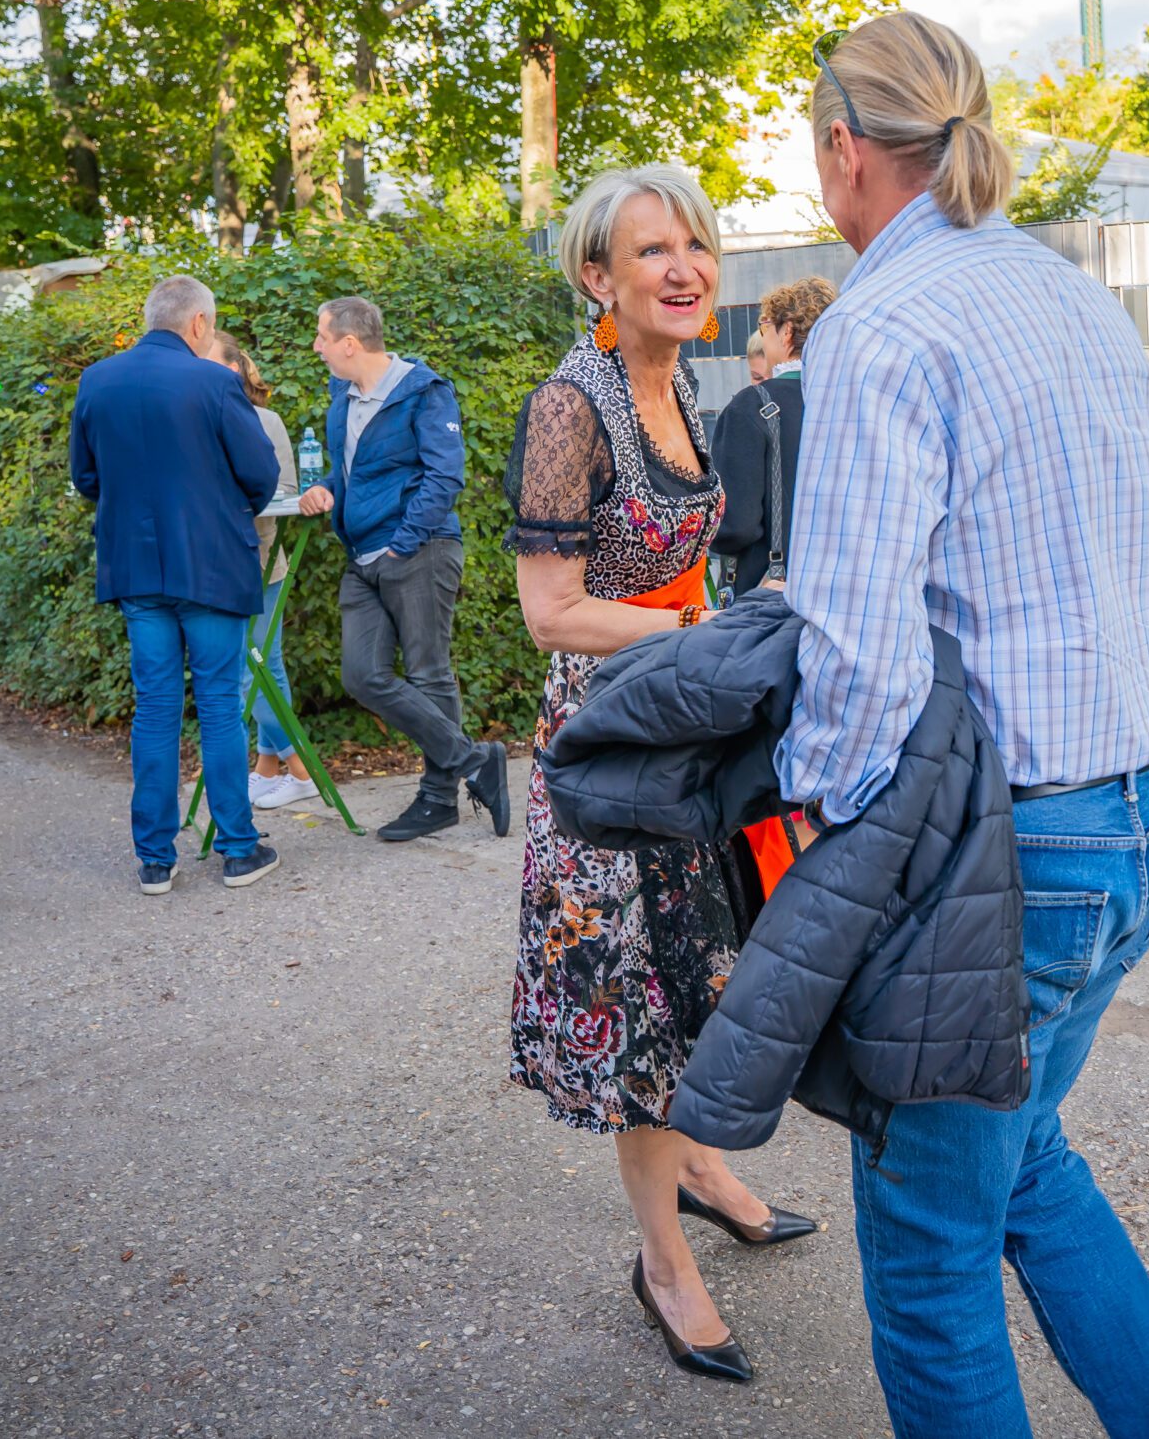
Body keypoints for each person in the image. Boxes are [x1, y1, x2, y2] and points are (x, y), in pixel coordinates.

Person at [777, 12, 1149, 1437]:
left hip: (1001, 857)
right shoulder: (1071, 294)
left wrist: (818, 841)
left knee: (929, 1260)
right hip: (1140, 813)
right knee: (1026, 1166)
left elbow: (853, 653)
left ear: (845, 148)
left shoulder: (880, 323)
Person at [504, 164, 814, 1385]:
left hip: (683, 725)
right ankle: (662, 1263)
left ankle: (701, 1171)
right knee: (637, 1009)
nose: (684, 268)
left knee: (702, 977)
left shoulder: (679, 379)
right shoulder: (568, 408)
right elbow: (550, 612)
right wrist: (700, 629)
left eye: (697, 244)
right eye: (651, 250)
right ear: (598, 276)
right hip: (610, 751)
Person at [69, 277, 283, 894]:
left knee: (155, 708)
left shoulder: (97, 381)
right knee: (218, 705)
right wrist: (223, 509)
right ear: (198, 324)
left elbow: (86, 477)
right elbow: (261, 474)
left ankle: (155, 860)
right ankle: (238, 849)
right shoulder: (214, 382)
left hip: (136, 567)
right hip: (211, 564)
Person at [296, 296, 508, 843]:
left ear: (349, 343)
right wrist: (325, 489)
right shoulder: (342, 397)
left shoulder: (424, 392)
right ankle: (476, 760)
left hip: (419, 550)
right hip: (361, 556)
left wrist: (402, 545)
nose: (316, 347)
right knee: (361, 675)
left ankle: (438, 800)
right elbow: (348, 472)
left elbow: (445, 477)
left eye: (322, 337)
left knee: (428, 674)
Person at [202, 331, 317, 811]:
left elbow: (286, 489)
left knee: (254, 669)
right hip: (213, 563)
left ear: (233, 369)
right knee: (264, 666)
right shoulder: (194, 417)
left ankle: (302, 770)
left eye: (208, 361)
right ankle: (268, 768)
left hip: (261, 560)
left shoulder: (265, 421)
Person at [710, 276, 833, 599]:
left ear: (787, 331)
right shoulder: (849, 400)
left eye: (765, 326)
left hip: (770, 596)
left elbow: (735, 526)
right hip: (841, 591)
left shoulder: (750, 406)